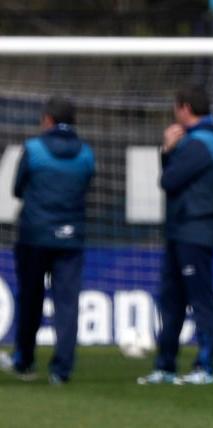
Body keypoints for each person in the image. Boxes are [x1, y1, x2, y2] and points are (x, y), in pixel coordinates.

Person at [137, 85, 213, 385]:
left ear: (184, 108)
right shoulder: (211, 139)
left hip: (193, 230)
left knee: (199, 299)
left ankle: (204, 367)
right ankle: (166, 366)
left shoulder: (199, 143)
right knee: (173, 300)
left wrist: (166, 150)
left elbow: (169, 180)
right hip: (184, 229)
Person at [0, 97, 95, 385]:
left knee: (31, 299)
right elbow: (86, 186)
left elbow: (17, 188)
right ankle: (61, 370)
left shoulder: (34, 149)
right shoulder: (86, 153)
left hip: (35, 235)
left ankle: (25, 361)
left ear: (48, 120)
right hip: (71, 237)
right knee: (67, 303)